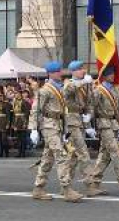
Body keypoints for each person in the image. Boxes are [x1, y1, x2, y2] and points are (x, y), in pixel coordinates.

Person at [28, 61, 82, 202]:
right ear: (51, 73)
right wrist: (33, 129)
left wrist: (65, 130)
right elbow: (35, 109)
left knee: (47, 158)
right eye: (57, 71)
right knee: (62, 155)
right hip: (49, 126)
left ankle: (38, 188)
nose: (60, 73)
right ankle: (67, 189)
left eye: (60, 71)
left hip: (58, 125)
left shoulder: (60, 88)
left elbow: (63, 111)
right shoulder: (45, 90)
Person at [84, 66, 119, 197]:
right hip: (104, 124)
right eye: (109, 74)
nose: (112, 76)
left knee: (104, 155)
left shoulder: (114, 89)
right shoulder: (98, 91)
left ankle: (94, 182)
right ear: (104, 76)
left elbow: (118, 108)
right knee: (115, 152)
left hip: (113, 124)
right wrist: (88, 124)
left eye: (113, 73)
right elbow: (91, 107)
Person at [63, 60, 95, 183]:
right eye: (80, 69)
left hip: (81, 120)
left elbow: (89, 103)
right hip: (71, 121)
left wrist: (88, 122)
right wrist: (82, 82)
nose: (83, 71)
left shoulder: (86, 85)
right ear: (73, 71)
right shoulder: (69, 83)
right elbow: (68, 91)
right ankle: (90, 183)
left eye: (83, 68)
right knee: (83, 152)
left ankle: (65, 182)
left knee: (73, 155)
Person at [11, 91, 30, 158]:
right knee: (18, 139)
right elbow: (13, 114)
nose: (16, 95)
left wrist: (25, 123)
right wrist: (13, 124)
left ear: (20, 95)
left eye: (17, 94)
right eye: (15, 94)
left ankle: (23, 153)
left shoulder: (25, 102)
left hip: (22, 121)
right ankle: (19, 152)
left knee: (23, 138)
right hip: (16, 121)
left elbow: (27, 113)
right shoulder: (14, 103)